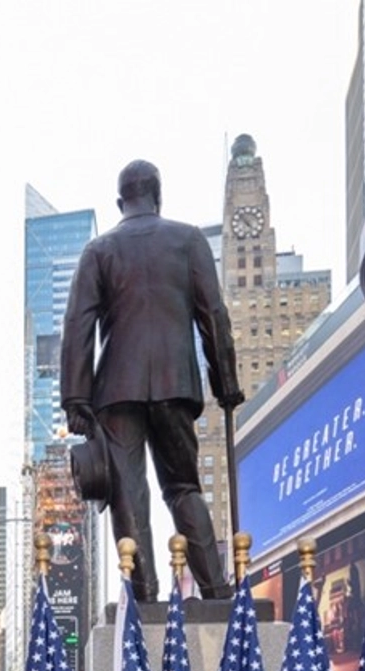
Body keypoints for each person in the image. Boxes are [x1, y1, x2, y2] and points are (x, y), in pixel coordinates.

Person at [60, 158, 243, 601]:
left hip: (116, 392)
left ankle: (142, 597)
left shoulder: (99, 251)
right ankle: (216, 590)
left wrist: (75, 398)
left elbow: (77, 327)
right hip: (175, 383)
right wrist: (225, 382)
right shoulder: (188, 240)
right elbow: (213, 316)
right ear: (157, 195)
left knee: (129, 498)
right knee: (183, 487)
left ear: (120, 201)